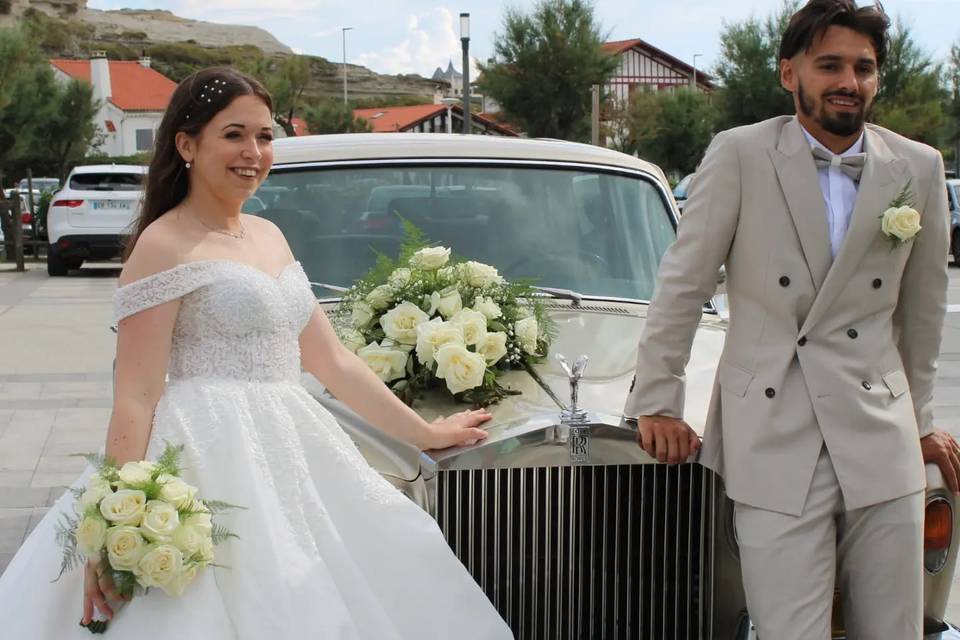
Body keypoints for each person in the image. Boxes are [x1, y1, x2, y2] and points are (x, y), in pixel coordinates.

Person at [0, 66, 512, 639]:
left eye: (265, 136)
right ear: (187, 144)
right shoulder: (163, 244)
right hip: (206, 455)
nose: (254, 151)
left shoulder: (269, 235)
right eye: (235, 134)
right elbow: (138, 396)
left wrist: (424, 433)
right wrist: (125, 516)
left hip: (295, 446)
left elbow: (331, 361)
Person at [623, 1, 955, 638]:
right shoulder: (740, 154)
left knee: (894, 629)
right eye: (829, 64)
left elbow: (922, 317)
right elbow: (682, 285)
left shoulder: (917, 167)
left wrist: (920, 423)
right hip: (774, 433)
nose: (848, 82)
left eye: (863, 67)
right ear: (788, 74)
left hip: (880, 437)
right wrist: (658, 400)